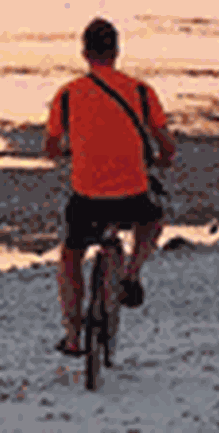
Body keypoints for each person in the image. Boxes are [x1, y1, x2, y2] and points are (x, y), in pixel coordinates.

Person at [42, 18, 177, 357]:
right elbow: (167, 145)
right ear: (117, 52)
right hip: (131, 195)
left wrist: (69, 152)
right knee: (153, 221)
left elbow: (51, 148)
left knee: (71, 255)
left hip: (87, 198)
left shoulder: (69, 94)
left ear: (84, 53)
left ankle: (73, 336)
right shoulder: (142, 92)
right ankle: (131, 273)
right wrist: (162, 159)